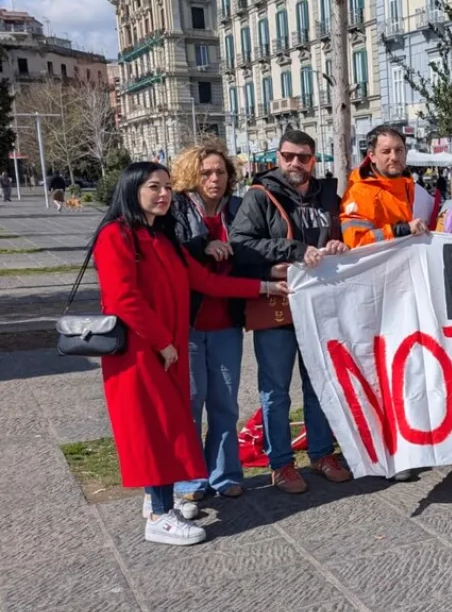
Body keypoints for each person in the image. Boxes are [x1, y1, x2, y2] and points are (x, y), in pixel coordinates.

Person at [94, 162, 285, 545]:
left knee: (167, 428)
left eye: (167, 187)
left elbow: (207, 282)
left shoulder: (162, 239)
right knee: (156, 431)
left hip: (167, 353)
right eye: (153, 187)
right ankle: (161, 516)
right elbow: (124, 299)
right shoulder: (116, 236)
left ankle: (157, 501)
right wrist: (163, 342)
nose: (163, 194)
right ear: (132, 190)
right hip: (140, 354)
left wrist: (267, 288)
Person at [229, 130, 354, 494]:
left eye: (303, 157)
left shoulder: (326, 195)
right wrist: (294, 250)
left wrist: (337, 242)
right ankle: (280, 464)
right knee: (276, 390)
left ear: (314, 160)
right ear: (277, 157)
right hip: (277, 306)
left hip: (319, 306)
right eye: (288, 156)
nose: (295, 163)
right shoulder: (259, 195)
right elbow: (241, 244)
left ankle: (320, 452)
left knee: (319, 384)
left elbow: (342, 235)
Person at [169, 144, 250, 509]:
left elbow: (252, 248)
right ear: (192, 175)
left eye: (220, 172)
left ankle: (226, 474)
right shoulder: (178, 208)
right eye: (206, 173)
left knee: (225, 402)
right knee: (190, 402)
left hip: (226, 322)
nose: (214, 179)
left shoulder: (238, 209)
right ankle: (189, 477)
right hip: (186, 324)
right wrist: (205, 245)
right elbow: (173, 253)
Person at [340, 125, 433, 251]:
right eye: (386, 151)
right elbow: (356, 243)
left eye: (399, 150)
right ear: (372, 156)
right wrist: (401, 230)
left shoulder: (415, 189)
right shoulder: (358, 193)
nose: (394, 157)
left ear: (406, 152)